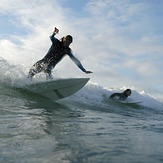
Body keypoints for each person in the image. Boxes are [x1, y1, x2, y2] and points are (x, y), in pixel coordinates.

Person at [28, 27, 92, 80]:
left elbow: (75, 60)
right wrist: (54, 33)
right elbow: (51, 37)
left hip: (51, 65)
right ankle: (28, 83)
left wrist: (84, 70)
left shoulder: (68, 50)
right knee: (31, 72)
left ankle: (50, 84)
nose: (67, 42)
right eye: (66, 40)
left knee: (47, 69)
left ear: (70, 43)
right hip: (43, 61)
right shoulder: (56, 43)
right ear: (63, 39)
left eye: (69, 42)